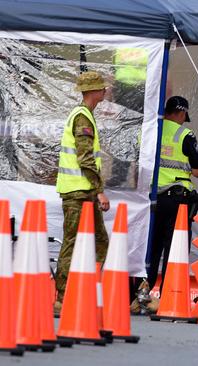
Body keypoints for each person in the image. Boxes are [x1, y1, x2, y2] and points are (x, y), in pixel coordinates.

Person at [54, 71, 110, 314]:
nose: (105, 91)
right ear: (94, 92)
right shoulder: (83, 118)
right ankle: (63, 296)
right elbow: (86, 158)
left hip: (81, 191)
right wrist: (99, 192)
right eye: (102, 88)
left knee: (99, 242)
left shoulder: (83, 115)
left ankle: (87, 290)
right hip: (78, 192)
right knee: (74, 241)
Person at [145, 96, 198, 311]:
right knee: (175, 248)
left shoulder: (153, 130)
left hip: (153, 198)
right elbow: (197, 170)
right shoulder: (185, 135)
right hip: (177, 199)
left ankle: (143, 291)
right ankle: (169, 294)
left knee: (152, 247)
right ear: (180, 114)